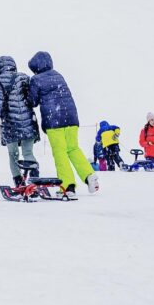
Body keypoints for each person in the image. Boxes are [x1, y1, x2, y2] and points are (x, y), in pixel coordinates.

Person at [27, 51, 99, 198]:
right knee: (73, 148)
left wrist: (27, 90)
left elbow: (32, 101)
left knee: (60, 152)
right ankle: (89, 175)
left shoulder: (36, 79)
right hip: (71, 118)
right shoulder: (58, 75)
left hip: (54, 121)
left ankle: (68, 186)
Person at [0, 56, 40, 187]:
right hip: (28, 122)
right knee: (28, 152)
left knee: (13, 154)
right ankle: (34, 180)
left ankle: (18, 182)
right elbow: (31, 99)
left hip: (10, 123)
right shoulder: (24, 77)